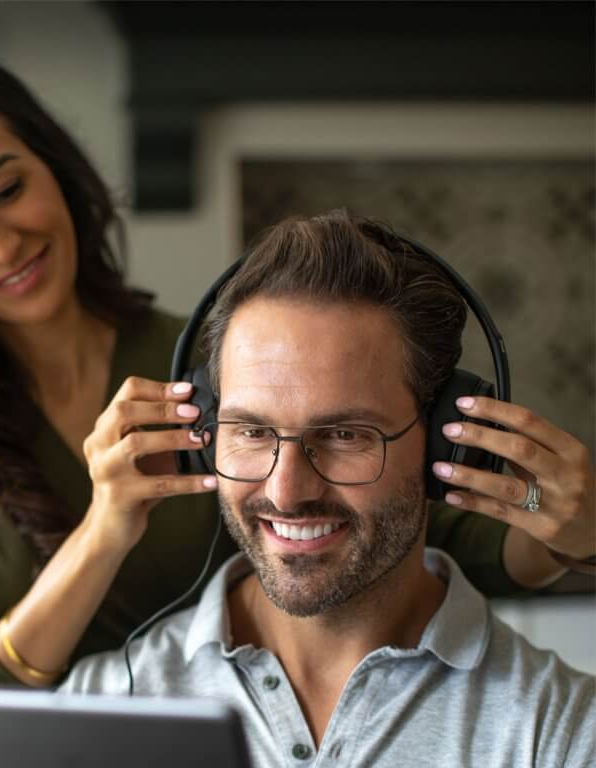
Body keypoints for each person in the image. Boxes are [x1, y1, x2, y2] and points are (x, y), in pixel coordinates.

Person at [0, 51, 592, 692]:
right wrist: (104, 532)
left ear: (54, 169)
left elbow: (436, 539)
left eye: (6, 190)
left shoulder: (215, 367)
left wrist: (573, 530)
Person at [61, 211, 595, 767]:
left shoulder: (561, 733)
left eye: (345, 435)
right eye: (252, 430)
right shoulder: (102, 710)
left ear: (443, 448)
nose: (287, 491)